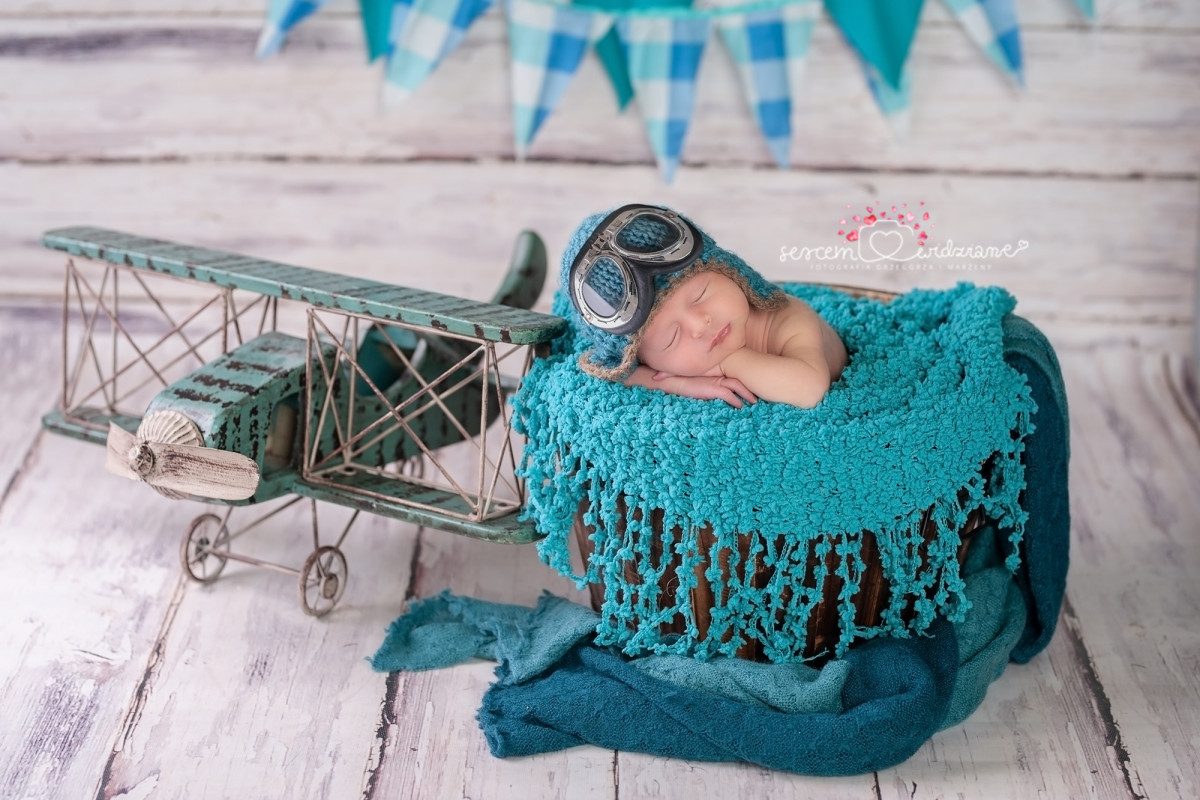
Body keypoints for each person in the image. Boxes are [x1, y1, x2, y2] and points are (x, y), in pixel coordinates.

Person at [564, 203, 848, 409]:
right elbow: (611, 372)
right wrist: (675, 383)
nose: (700, 325)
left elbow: (810, 389)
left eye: (701, 295)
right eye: (671, 338)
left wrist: (729, 362)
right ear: (644, 359)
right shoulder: (663, 362)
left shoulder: (787, 319)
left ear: (728, 271)